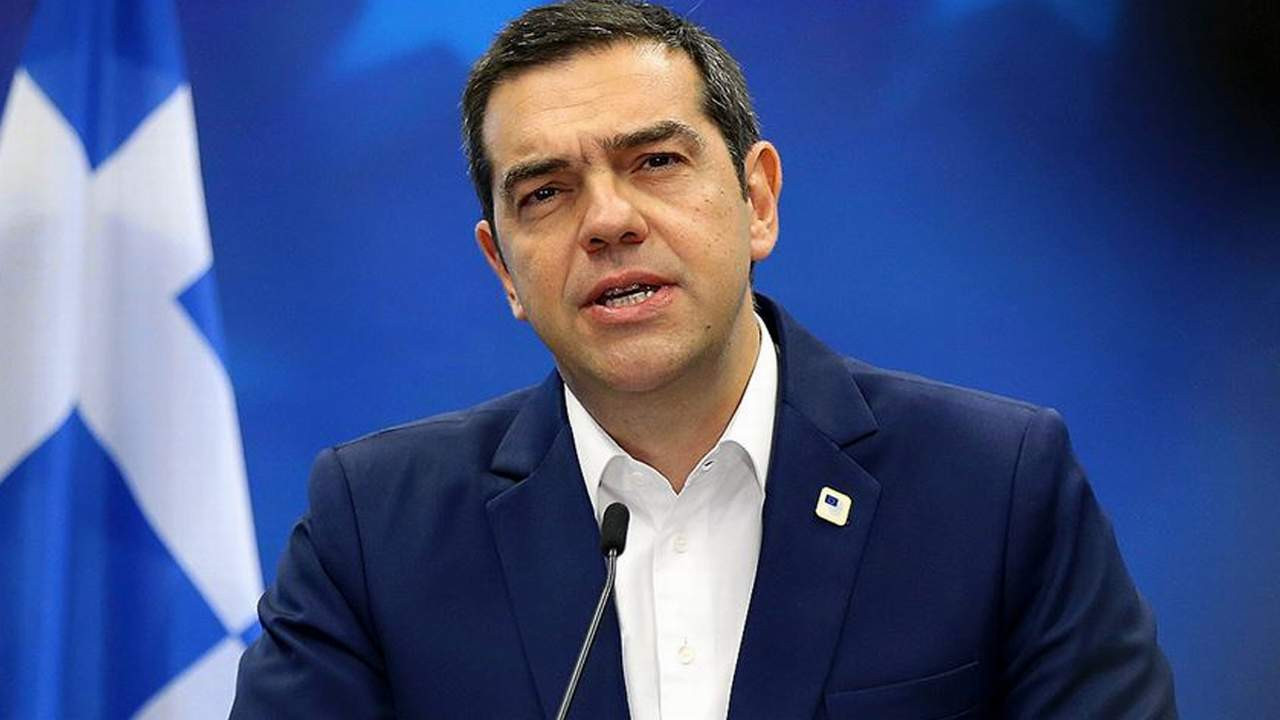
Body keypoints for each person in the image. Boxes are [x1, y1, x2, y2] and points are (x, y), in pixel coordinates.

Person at [231, 1, 1177, 718]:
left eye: (655, 162)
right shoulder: (375, 526)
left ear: (758, 200)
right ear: (504, 269)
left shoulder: (996, 487)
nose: (608, 221)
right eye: (546, 192)